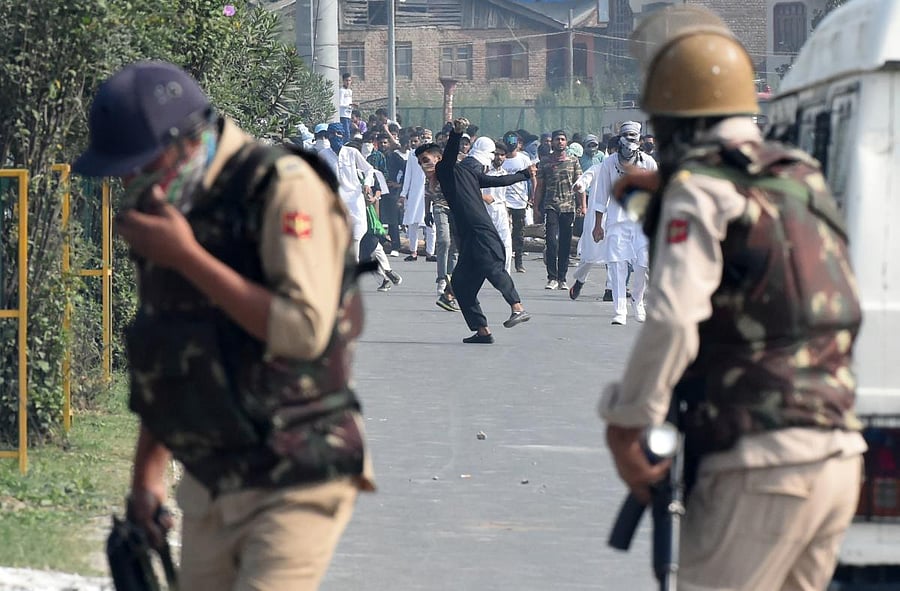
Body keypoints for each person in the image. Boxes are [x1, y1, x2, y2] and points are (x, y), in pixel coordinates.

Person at [73, 61, 373, 591]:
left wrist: (187, 257)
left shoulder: (282, 187)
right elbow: (169, 355)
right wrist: (146, 478)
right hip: (213, 477)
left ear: (187, 142)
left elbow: (306, 330)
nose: (128, 179)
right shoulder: (168, 206)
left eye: (139, 163)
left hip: (298, 470)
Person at [599, 8, 866, 590]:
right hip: (837, 455)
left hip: (758, 463)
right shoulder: (802, 177)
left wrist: (626, 424)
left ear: (670, 123)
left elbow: (671, 317)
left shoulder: (700, 193)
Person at [435, 118, 533, 344]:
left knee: (492, 268)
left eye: (428, 161)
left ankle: (517, 307)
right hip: (470, 236)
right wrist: (524, 175)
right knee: (460, 285)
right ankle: (482, 331)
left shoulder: (458, 172)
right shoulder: (457, 172)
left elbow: (496, 179)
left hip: (479, 231)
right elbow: (495, 179)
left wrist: (457, 133)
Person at [588, 121, 657, 325]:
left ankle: (638, 301)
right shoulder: (609, 163)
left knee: (643, 264)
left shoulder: (648, 163)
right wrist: (597, 224)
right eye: (625, 135)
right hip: (617, 221)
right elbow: (601, 195)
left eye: (633, 136)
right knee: (617, 266)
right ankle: (620, 310)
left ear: (639, 139)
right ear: (619, 138)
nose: (629, 140)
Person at [534, 129, 582, 290]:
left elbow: (580, 185)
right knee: (552, 242)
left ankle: (562, 278)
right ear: (552, 142)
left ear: (566, 142)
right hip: (551, 205)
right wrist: (536, 207)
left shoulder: (573, 161)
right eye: (557, 139)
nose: (560, 142)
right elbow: (539, 186)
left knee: (565, 243)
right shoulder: (545, 162)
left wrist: (583, 205)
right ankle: (551, 277)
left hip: (568, 207)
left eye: (562, 139)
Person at [501, 131, 534, 273]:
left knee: (518, 232)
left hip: (519, 201)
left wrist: (532, 196)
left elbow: (533, 177)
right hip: (503, 200)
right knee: (504, 231)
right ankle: (503, 259)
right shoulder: (500, 159)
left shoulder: (524, 159)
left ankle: (518, 261)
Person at [338, 73, 356, 140]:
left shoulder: (350, 91)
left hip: (348, 115)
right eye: (346, 80)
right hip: (343, 115)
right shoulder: (341, 91)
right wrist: (349, 105)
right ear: (343, 81)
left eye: (349, 80)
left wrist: (352, 105)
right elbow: (340, 104)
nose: (348, 82)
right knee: (346, 134)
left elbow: (349, 102)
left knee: (349, 132)